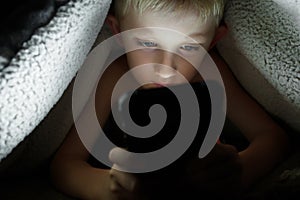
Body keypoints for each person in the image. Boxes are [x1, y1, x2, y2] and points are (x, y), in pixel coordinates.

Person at [50, 0, 290, 199]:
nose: (166, 68)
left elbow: (272, 137)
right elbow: (65, 165)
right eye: (147, 43)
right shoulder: (117, 76)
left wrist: (240, 171)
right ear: (118, 32)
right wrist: (111, 187)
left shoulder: (208, 74)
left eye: (188, 47)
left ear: (214, 41)